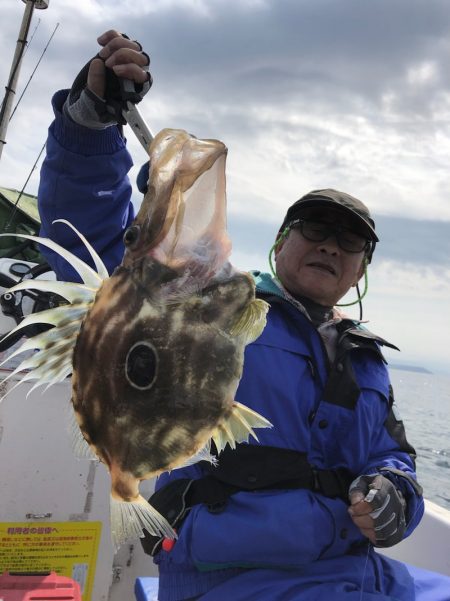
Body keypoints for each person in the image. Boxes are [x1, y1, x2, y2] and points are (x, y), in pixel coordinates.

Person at [37, 30, 450, 601]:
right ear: (280, 244)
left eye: (349, 242)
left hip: (364, 578)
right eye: (315, 228)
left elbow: (390, 452)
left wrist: (396, 495)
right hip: (240, 579)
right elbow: (95, 242)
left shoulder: (366, 359)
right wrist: (90, 128)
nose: (330, 245)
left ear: (359, 272)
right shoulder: (219, 305)